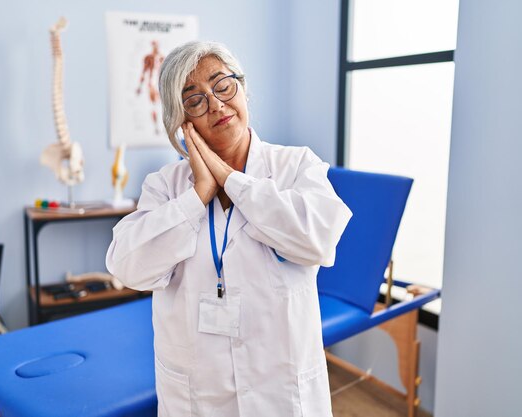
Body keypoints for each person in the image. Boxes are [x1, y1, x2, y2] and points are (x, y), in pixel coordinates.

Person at [106, 41, 352, 417]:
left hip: (281, 394)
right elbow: (127, 266)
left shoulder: (296, 166)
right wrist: (197, 196)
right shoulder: (166, 186)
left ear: (243, 88)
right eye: (195, 100)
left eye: (223, 85)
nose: (217, 105)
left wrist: (231, 181)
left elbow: (319, 239)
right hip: (198, 397)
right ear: (181, 122)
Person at [136, 40, 164, 135]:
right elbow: (144, 72)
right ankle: (156, 127)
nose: (156, 47)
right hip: (152, 84)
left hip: (160, 84)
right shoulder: (148, 58)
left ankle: (164, 127)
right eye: (154, 45)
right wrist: (140, 86)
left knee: (163, 106)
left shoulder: (162, 58)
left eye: (157, 45)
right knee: (154, 106)